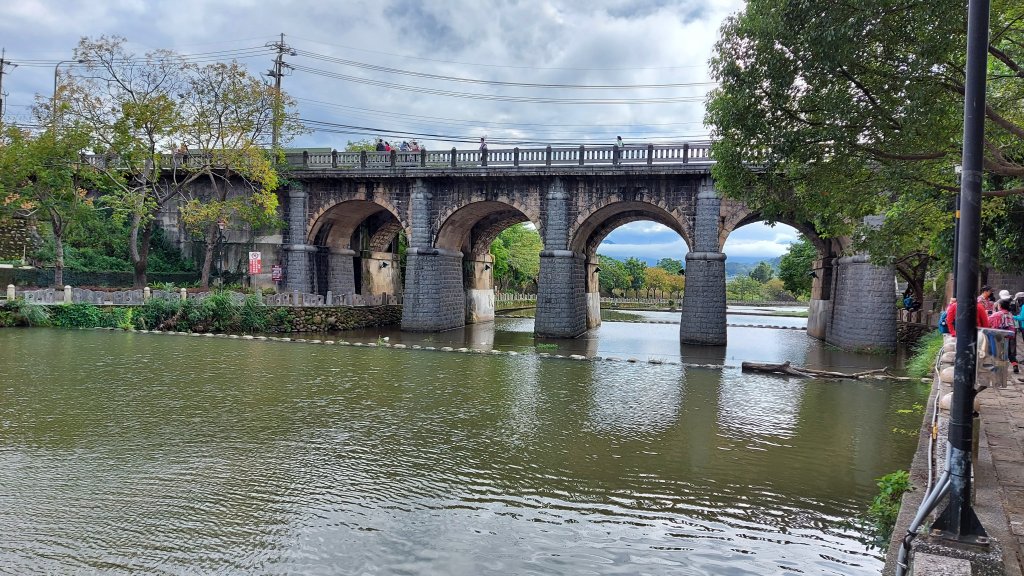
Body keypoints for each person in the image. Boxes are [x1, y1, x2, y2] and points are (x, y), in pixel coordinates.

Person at [992, 298, 1019, 373]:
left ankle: (1000, 369)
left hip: (1000, 336)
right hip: (1010, 335)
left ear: (1000, 306)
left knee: (999, 352)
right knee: (1010, 352)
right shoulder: (1010, 314)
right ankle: (1015, 365)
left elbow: (988, 321)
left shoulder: (997, 314)